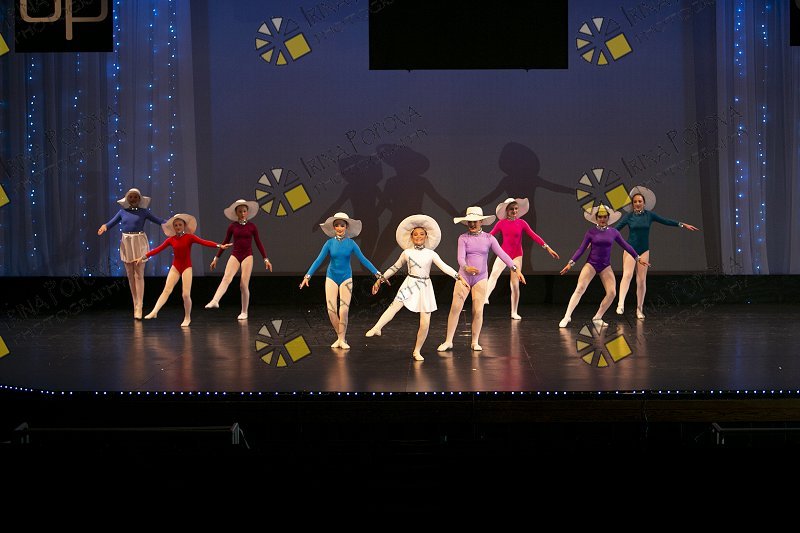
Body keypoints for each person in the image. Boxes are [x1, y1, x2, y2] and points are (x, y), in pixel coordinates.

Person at [367, 214, 466, 361]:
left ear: (426, 236)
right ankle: (377, 328)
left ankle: (417, 350)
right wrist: (380, 280)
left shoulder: (431, 254)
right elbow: (394, 267)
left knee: (425, 322)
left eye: (421, 234)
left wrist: (458, 276)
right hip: (410, 283)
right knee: (394, 306)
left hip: (425, 286)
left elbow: (444, 267)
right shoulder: (407, 253)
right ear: (411, 237)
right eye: (415, 234)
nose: (418, 236)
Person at [437, 207, 526, 352]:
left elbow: (503, 255)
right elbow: (460, 257)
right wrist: (466, 267)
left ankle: (475, 342)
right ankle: (448, 341)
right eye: (470, 222)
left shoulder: (489, 239)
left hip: (481, 278)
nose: (472, 224)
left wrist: (516, 270)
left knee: (478, 310)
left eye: (475, 221)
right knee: (455, 308)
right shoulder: (463, 238)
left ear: (481, 222)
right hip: (464, 277)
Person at [299, 212, 384, 350]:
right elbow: (318, 260)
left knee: (343, 310)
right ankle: (340, 337)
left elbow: (363, 259)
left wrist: (378, 274)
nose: (339, 228)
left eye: (342, 225)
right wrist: (307, 276)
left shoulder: (351, 244)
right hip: (331, 277)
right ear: (333, 227)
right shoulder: (329, 243)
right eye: (337, 225)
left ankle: (342, 339)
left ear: (346, 227)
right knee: (331, 310)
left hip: (346, 277)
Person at [559, 205, 650, 328]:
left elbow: (626, 246)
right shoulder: (591, 232)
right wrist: (570, 263)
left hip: (605, 266)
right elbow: (581, 249)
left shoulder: (613, 232)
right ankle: (567, 316)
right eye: (600, 217)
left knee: (612, 293)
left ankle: (597, 317)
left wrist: (637, 258)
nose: (602, 219)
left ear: (608, 218)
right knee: (580, 288)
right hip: (591, 264)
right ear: (596, 218)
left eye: (605, 217)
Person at [614, 186, 699, 319]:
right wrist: (600, 237)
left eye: (640, 201)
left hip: (644, 250)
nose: (637, 203)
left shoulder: (650, 215)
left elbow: (666, 221)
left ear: (644, 203)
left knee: (641, 280)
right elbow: (615, 230)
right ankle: (620, 304)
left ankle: (639, 309)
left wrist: (682, 224)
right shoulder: (628, 217)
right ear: (632, 204)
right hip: (630, 249)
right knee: (628, 275)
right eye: (635, 202)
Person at [136, 214, 231, 327]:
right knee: (166, 290)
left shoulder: (190, 237)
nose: (178, 227)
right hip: (175, 267)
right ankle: (155, 311)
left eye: (180, 225)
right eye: (176, 225)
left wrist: (219, 246)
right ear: (173, 227)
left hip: (186, 267)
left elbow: (204, 242)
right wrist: (143, 257)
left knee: (185, 294)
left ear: (184, 226)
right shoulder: (171, 240)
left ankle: (187, 317)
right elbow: (158, 249)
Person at [485, 197, 560, 319]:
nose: (514, 211)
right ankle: (485, 297)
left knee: (515, 284)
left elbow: (534, 236)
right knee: (494, 274)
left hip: (516, 255)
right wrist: (478, 241)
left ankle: (514, 312)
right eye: (512, 209)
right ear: (507, 210)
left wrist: (548, 248)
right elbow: (490, 235)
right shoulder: (501, 223)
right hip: (504, 253)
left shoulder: (522, 223)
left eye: (516, 209)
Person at [97, 188, 166, 319]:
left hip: (139, 241)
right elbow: (111, 223)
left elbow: (159, 220)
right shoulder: (122, 212)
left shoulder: (144, 212)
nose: (133, 199)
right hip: (127, 242)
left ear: (139, 199)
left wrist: (172, 223)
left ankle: (140, 305)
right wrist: (104, 227)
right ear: (127, 199)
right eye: (131, 197)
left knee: (139, 274)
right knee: (130, 274)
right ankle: (135, 304)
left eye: (135, 197)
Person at [205, 199, 272, 320]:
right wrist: (216, 258)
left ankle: (244, 312)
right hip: (235, 254)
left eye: (244, 211)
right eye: (240, 211)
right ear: (236, 213)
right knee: (226, 277)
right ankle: (215, 300)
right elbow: (225, 242)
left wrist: (265, 259)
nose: (242, 213)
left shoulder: (252, 227)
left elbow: (258, 243)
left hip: (247, 255)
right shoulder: (232, 226)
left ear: (247, 212)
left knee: (243, 284)